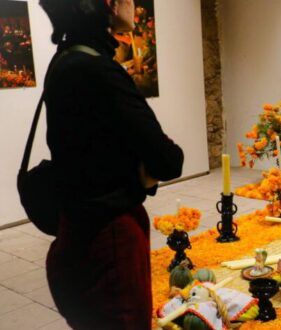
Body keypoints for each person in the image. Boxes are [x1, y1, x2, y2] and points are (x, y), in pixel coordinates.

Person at [38, 0, 184, 328]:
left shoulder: (64, 60)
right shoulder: (99, 70)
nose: (135, 5)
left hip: (76, 230)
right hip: (110, 242)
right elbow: (168, 159)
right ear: (108, 4)